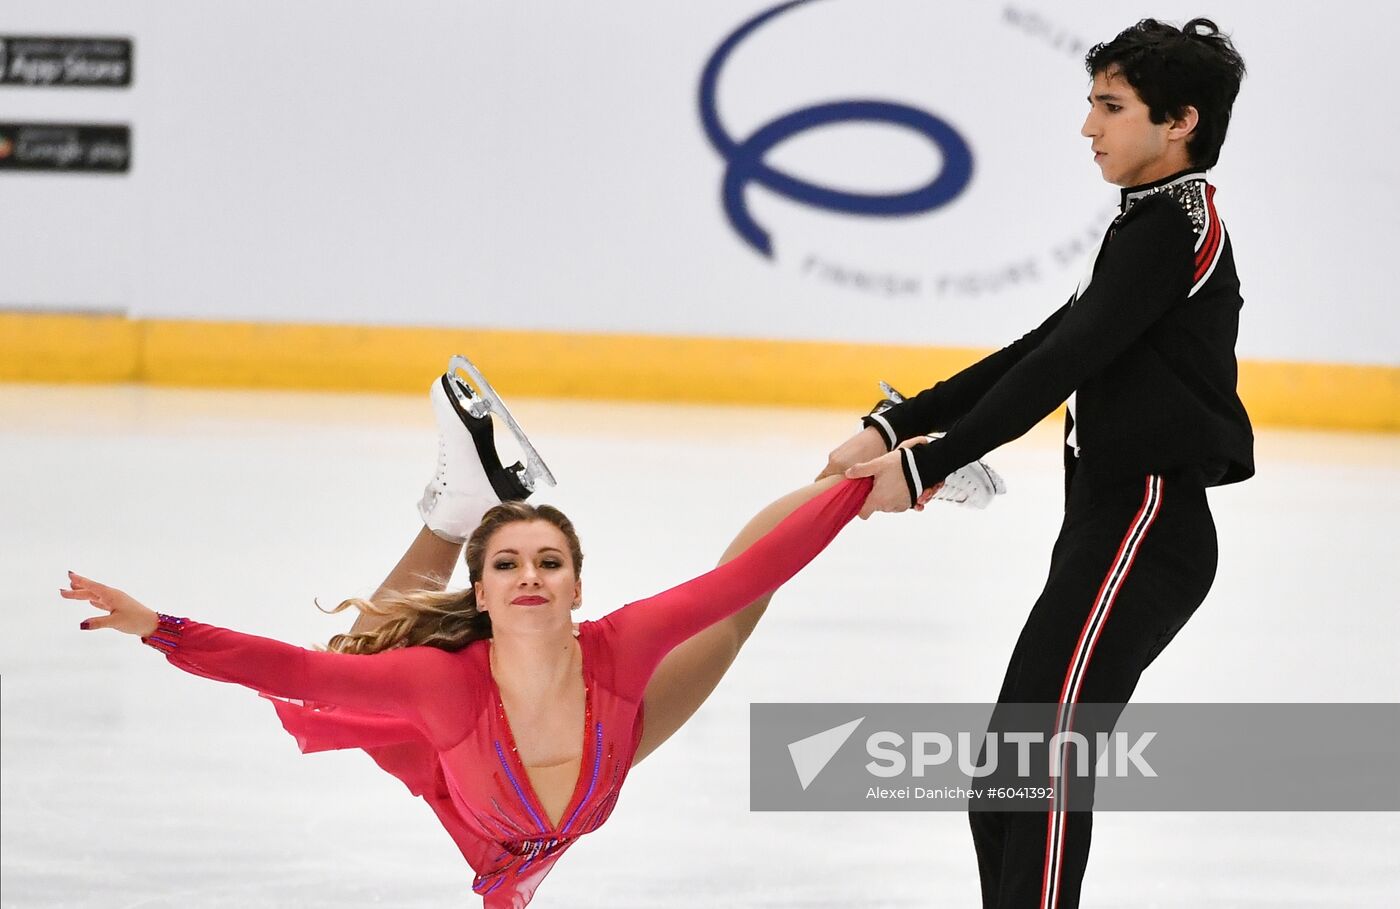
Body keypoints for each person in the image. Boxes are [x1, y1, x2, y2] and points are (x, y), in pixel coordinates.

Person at [60, 358, 1000, 908]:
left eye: (548, 561)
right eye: (507, 563)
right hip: (527, 794)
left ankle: (886, 453)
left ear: (579, 584)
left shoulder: (619, 648)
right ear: (482, 589)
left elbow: (745, 575)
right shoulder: (445, 681)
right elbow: (287, 663)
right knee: (328, 684)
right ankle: (467, 503)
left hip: (572, 753)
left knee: (736, 606)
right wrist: (162, 629)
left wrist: (901, 476)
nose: (530, 576)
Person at [821, 18, 1253, 909]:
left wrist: (931, 459)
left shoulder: (1176, 226)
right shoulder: (1148, 224)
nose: (1089, 128)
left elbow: (1067, 361)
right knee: (1004, 783)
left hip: (1147, 525)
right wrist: (897, 422)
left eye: (1110, 106)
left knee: (1042, 769)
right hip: (1107, 522)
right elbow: (1047, 342)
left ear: (1180, 120)